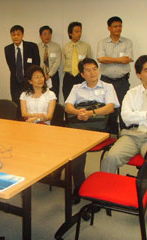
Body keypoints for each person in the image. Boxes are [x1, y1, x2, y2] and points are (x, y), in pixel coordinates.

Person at [65, 58, 119, 203]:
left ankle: (91, 190)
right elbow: (68, 107)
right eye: (88, 70)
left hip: (99, 129)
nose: (92, 73)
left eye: (94, 69)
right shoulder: (77, 87)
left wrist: (91, 113)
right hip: (80, 127)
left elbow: (110, 108)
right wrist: (79, 113)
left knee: (79, 145)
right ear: (82, 74)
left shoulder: (107, 87)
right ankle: (79, 186)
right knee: (77, 149)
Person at [101, 55, 147, 174]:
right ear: (138, 74)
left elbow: (132, 116)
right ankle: (106, 189)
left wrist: (136, 115)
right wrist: (145, 115)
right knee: (110, 158)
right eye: (146, 70)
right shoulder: (132, 93)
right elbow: (126, 118)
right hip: (131, 135)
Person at [97, 16, 134, 134]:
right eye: (115, 26)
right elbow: (101, 59)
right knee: (109, 109)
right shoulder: (102, 43)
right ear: (109, 28)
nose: (118, 28)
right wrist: (119, 59)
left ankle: (124, 135)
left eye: (120, 26)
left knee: (124, 108)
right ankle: (111, 136)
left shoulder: (128, 42)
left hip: (122, 81)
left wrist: (110, 59)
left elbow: (127, 59)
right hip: (106, 81)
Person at [4, 25, 40, 112]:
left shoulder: (32, 46)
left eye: (18, 34)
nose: (16, 37)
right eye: (13, 35)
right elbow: (11, 67)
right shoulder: (7, 49)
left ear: (22, 35)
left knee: (30, 105)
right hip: (15, 82)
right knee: (16, 105)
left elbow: (37, 65)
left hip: (29, 81)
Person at [62, 22, 91, 100]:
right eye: (76, 31)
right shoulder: (65, 47)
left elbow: (89, 63)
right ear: (70, 33)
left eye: (80, 31)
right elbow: (63, 62)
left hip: (81, 77)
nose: (79, 34)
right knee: (68, 100)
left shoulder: (86, 46)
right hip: (69, 77)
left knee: (82, 101)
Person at [38, 25, 61, 100]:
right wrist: (41, 75)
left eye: (49, 34)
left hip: (53, 76)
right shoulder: (36, 47)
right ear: (40, 36)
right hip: (40, 76)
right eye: (44, 34)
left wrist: (49, 74)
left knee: (53, 97)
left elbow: (57, 62)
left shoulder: (56, 46)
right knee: (41, 97)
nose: (47, 36)